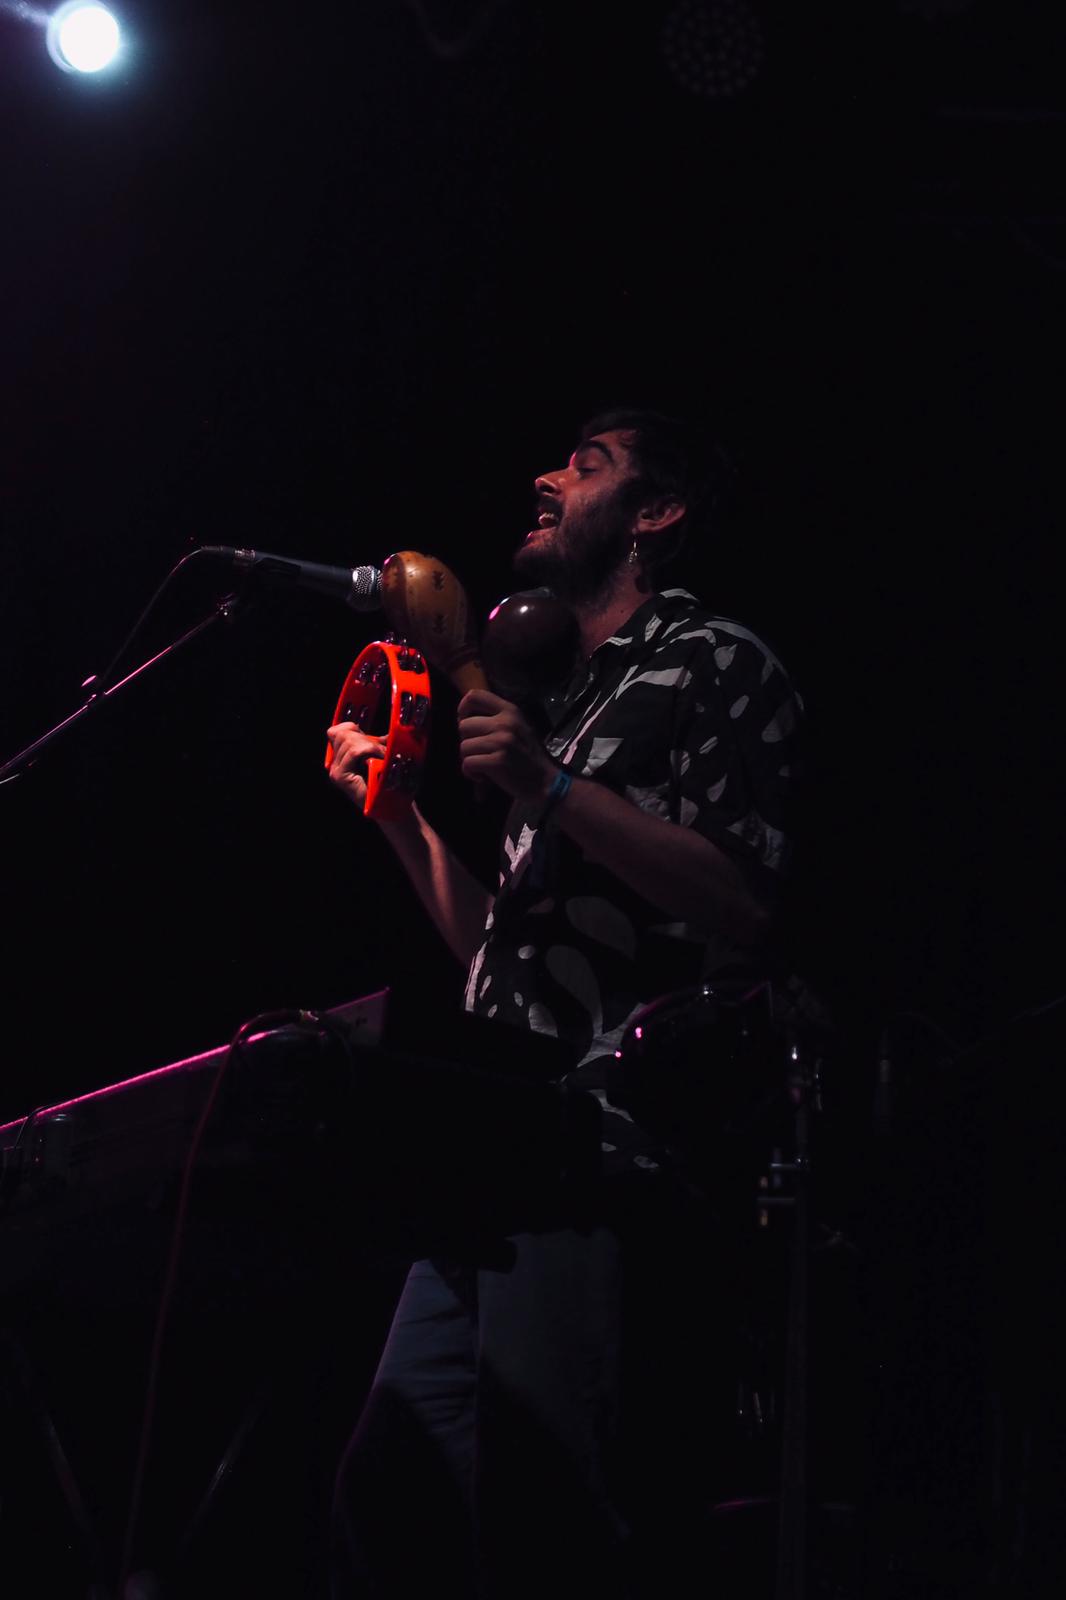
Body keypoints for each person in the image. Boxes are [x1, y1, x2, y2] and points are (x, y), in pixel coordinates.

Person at [326, 408, 806, 1598]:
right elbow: (505, 954)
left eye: (585, 464)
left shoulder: (717, 662)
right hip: (505, 1147)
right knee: (389, 1489)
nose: (544, 476)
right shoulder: (579, 702)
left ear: (656, 515)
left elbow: (742, 902)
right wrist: (401, 817)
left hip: (607, 1151)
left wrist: (546, 783)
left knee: (541, 1514)